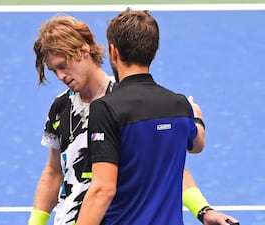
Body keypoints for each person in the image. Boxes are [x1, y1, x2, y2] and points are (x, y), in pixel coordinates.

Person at [28, 13, 239, 225]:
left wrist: (203, 209)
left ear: (84, 50)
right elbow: (54, 171)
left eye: (63, 66)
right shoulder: (60, 106)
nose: (61, 77)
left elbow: (166, 166)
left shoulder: (126, 103)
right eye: (54, 70)